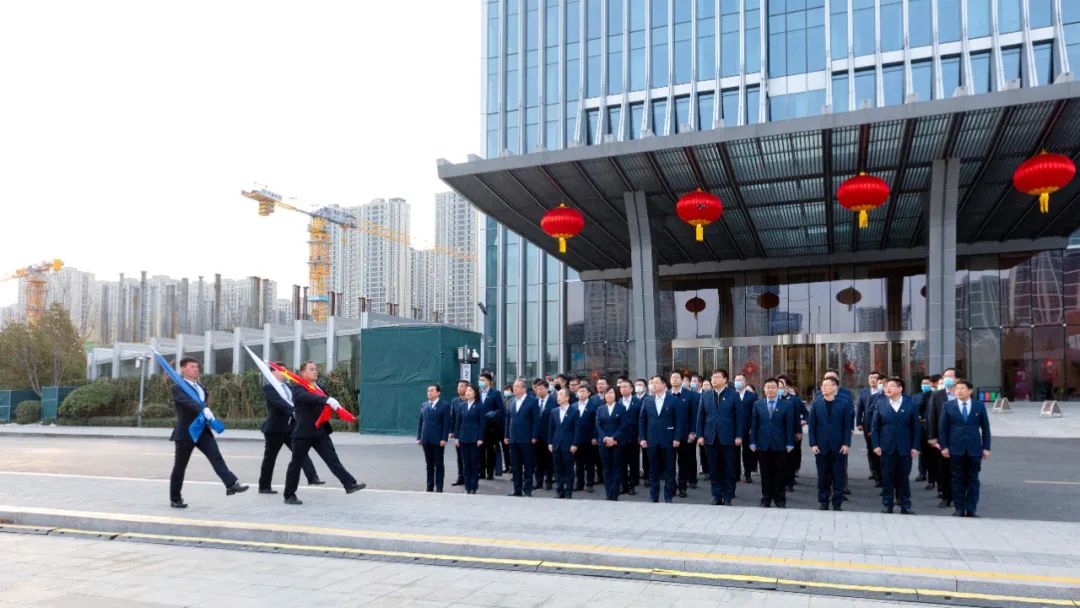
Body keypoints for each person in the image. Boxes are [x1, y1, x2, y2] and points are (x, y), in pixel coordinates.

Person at [168, 357, 248, 508]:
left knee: (216, 456)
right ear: (183, 369)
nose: (195, 369)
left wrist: (206, 412)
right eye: (192, 366)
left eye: (197, 367)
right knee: (180, 466)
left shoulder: (200, 387)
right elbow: (186, 401)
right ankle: (175, 498)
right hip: (187, 432)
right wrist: (202, 409)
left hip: (202, 430)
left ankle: (231, 484)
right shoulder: (178, 387)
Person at [283, 361, 365, 505]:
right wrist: (326, 399)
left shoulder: (320, 387)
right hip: (303, 433)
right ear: (302, 373)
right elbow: (309, 397)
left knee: (332, 460)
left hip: (320, 432)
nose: (315, 371)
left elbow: (325, 403)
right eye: (311, 369)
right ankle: (289, 495)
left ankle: (349, 484)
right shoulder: (298, 388)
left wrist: (332, 404)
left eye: (316, 369)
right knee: (296, 464)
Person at [258, 366, 322, 494]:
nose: (284, 373)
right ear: (273, 373)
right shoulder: (269, 388)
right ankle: (264, 486)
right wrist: (294, 410)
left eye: (285, 371)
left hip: (290, 428)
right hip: (275, 429)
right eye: (281, 371)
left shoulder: (289, 387)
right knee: (270, 459)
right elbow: (279, 403)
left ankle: (312, 477)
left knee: (301, 452)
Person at [939, 380, 991, 517]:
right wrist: (944, 447)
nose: (959, 391)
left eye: (962, 388)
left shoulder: (979, 406)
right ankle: (959, 508)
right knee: (957, 479)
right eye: (957, 389)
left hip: (974, 449)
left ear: (970, 391)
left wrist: (986, 447)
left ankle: (971, 508)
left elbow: (985, 428)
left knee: (973, 479)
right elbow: (943, 429)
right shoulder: (948, 406)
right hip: (955, 448)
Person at [872, 377, 920, 514]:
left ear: (900, 389)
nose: (887, 388)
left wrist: (915, 446)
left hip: (905, 447)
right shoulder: (880, 403)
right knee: (887, 477)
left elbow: (916, 428)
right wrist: (876, 445)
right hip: (886, 446)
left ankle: (905, 505)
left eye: (891, 386)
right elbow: (875, 427)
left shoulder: (910, 404)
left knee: (903, 477)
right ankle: (888, 504)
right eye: (886, 386)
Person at [697, 369, 743, 506]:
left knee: (729, 468)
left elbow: (739, 418)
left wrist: (739, 435)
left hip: (728, 438)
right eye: (712, 377)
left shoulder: (733, 395)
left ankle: (728, 496)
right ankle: (716, 496)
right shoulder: (705, 395)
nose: (714, 380)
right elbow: (700, 417)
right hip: (710, 437)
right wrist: (700, 435)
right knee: (714, 469)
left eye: (717, 377)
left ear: (725, 379)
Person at [808, 377, 853, 511]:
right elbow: (812, 426)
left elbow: (847, 426)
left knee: (838, 476)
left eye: (827, 385)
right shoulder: (816, 404)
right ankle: (823, 501)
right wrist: (813, 444)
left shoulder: (844, 403)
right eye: (822, 385)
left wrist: (846, 443)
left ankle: (837, 503)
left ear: (835, 387)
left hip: (839, 446)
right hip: (821, 446)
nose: (823, 388)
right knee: (823, 476)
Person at [639, 375, 685, 503]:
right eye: (652, 383)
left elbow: (679, 421)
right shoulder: (647, 400)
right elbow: (642, 420)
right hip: (652, 440)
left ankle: (668, 497)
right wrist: (642, 438)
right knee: (653, 470)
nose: (653, 385)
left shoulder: (673, 400)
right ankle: (653, 497)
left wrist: (677, 438)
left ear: (664, 385)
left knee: (670, 470)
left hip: (668, 439)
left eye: (656, 382)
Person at [750, 378, 794, 508]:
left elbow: (789, 425)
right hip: (763, 444)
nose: (770, 389)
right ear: (764, 389)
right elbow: (754, 425)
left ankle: (780, 499)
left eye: (773, 387)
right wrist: (753, 442)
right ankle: (766, 499)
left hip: (780, 444)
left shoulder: (786, 405)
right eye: (768, 387)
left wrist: (790, 443)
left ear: (778, 389)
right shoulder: (758, 404)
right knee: (765, 474)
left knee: (780, 473)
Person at [926, 368, 957, 509]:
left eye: (950, 376)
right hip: (943, 437)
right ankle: (946, 497)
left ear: (957, 379)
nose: (947, 379)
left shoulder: (964, 393)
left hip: (959, 437)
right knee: (944, 469)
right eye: (945, 376)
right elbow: (931, 416)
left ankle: (959, 497)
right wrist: (932, 436)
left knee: (959, 469)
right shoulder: (937, 395)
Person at [504, 378, 541, 497]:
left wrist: (534, 436)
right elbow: (508, 419)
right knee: (515, 466)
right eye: (514, 386)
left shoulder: (532, 401)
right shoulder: (511, 401)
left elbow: (536, 420)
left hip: (527, 438)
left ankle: (528, 489)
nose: (514, 388)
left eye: (517, 386)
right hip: (513, 438)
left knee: (528, 465)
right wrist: (506, 435)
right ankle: (517, 489)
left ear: (524, 389)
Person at [416, 384, 451, 493]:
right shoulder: (424, 405)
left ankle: (439, 486)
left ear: (438, 392)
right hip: (426, 439)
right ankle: (429, 486)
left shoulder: (444, 406)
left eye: (432, 391)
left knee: (439, 464)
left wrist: (444, 438)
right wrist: (419, 437)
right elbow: (421, 422)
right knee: (429, 464)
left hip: (438, 440)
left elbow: (446, 424)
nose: (429, 393)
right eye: (428, 391)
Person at [670, 371, 700, 496]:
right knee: (670, 463)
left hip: (685, 435)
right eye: (672, 377)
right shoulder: (666, 395)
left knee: (683, 463)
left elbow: (694, 415)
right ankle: (671, 487)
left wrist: (693, 432)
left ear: (682, 380)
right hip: (669, 435)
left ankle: (682, 487)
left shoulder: (690, 395)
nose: (674, 380)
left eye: (677, 377)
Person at [595, 386, 627, 501]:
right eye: (607, 393)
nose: (609, 395)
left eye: (611, 393)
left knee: (616, 468)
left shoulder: (621, 408)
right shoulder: (600, 409)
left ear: (616, 395)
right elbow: (598, 425)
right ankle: (608, 493)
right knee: (606, 468)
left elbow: (623, 425)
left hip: (617, 442)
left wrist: (613, 438)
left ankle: (615, 494)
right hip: (603, 442)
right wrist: (605, 438)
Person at [548, 387, 580, 499]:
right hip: (556, 444)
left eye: (561, 395)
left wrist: (575, 443)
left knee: (569, 469)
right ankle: (560, 491)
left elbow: (577, 429)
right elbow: (551, 429)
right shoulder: (554, 411)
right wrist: (550, 443)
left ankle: (568, 492)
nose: (558, 397)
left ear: (567, 397)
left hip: (568, 445)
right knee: (557, 469)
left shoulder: (574, 411)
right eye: (557, 395)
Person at [454, 383, 485, 494]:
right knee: (465, 463)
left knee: (474, 463)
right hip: (463, 438)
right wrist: (457, 437)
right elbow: (458, 423)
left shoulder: (480, 406)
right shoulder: (461, 405)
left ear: (475, 393)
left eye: (470, 391)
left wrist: (480, 438)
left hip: (475, 439)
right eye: (467, 391)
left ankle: (474, 486)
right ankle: (467, 487)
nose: (468, 392)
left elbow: (482, 423)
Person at [777, 374, 806, 492]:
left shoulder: (794, 400)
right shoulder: (772, 399)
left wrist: (799, 429)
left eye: (781, 386)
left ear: (787, 387)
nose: (778, 388)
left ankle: (789, 482)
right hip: (777, 435)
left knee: (790, 459)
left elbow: (801, 415)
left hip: (791, 434)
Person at [856, 372, 885, 487]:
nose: (873, 380)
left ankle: (881, 473)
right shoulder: (864, 393)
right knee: (871, 448)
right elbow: (860, 409)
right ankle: (874, 471)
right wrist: (858, 423)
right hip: (868, 424)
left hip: (882, 426)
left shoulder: (884, 392)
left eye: (875, 378)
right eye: (870, 378)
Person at [478, 372, 505, 480]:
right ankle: (481, 472)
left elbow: (501, 409)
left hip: (491, 427)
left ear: (489, 381)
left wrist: (493, 414)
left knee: (490, 450)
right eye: (480, 380)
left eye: (483, 380)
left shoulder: (495, 393)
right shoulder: (477, 393)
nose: (481, 382)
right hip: (479, 426)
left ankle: (490, 472)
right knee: (480, 450)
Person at [532, 378, 556, 491]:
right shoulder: (534, 402)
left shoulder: (553, 401)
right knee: (537, 461)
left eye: (541, 389)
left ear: (547, 389)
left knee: (549, 460)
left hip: (548, 436)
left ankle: (549, 481)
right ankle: (539, 481)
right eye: (537, 389)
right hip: (536, 437)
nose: (539, 391)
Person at [617, 379, 641, 495]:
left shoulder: (638, 402)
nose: (623, 389)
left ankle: (633, 485)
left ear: (631, 389)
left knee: (633, 463)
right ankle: (623, 485)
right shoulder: (617, 402)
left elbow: (641, 420)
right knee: (621, 463)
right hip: (620, 438)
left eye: (625, 387)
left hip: (633, 437)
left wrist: (641, 435)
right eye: (621, 387)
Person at [573, 385, 598, 492]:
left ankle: (590, 484)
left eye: (583, 391)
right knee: (578, 463)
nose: (581, 393)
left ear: (588, 393)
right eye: (579, 391)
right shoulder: (573, 406)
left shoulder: (594, 406)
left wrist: (594, 436)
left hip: (589, 439)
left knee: (590, 463)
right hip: (577, 439)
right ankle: (579, 484)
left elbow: (596, 423)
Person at [733, 373, 757, 484]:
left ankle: (748, 474)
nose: (738, 382)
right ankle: (736, 474)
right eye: (736, 380)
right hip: (734, 429)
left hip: (748, 428)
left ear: (745, 382)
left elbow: (754, 413)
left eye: (740, 380)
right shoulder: (731, 395)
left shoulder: (752, 396)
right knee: (735, 453)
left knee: (747, 453)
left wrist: (753, 427)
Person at [915, 375, 934, 483]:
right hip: (921, 429)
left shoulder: (934, 396)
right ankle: (922, 473)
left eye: (927, 383)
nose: (925, 385)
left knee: (932, 454)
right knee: (922, 453)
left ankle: (932, 477)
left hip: (931, 429)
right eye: (923, 383)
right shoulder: (916, 397)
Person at [450, 379, 469, 487]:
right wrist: (452, 431)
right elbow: (452, 416)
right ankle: (460, 477)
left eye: (461, 386)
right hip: (459, 432)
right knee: (459, 456)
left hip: (470, 433)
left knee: (469, 457)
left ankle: (470, 477)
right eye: (458, 386)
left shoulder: (472, 401)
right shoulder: (455, 401)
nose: (459, 388)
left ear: (467, 388)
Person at [634, 378, 650, 484]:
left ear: (645, 387)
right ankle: (635, 476)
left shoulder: (648, 398)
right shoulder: (632, 399)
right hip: (633, 431)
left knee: (646, 455)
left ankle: (647, 476)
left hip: (645, 431)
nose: (638, 386)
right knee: (634, 455)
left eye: (640, 384)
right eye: (637, 384)